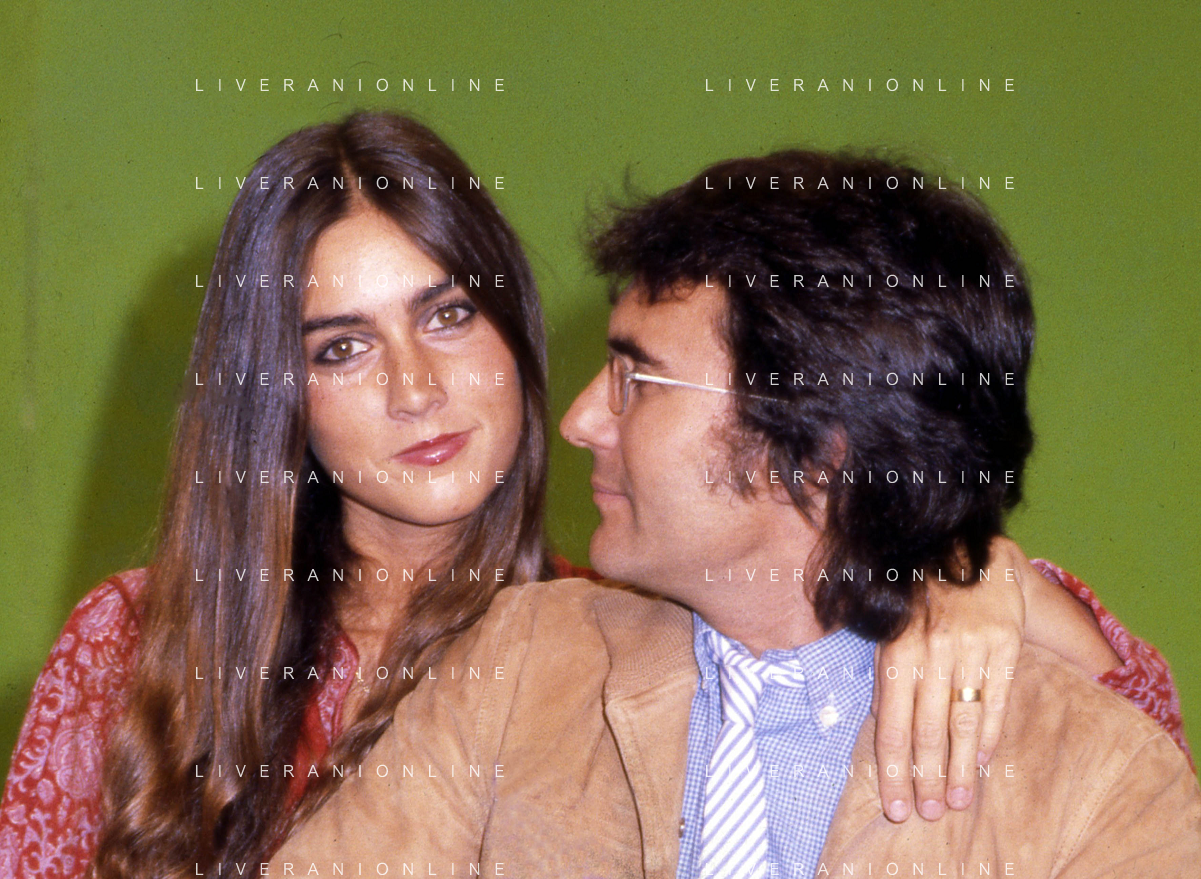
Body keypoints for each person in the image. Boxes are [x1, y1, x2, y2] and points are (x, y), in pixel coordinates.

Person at [0, 118, 1181, 877]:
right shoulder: (140, 643)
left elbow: (1113, 759)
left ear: (514, 330)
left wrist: (968, 572)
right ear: (276, 395)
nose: (416, 388)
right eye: (340, 348)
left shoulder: (626, 617)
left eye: (448, 315)